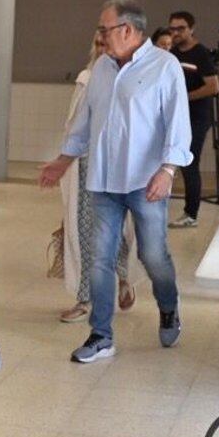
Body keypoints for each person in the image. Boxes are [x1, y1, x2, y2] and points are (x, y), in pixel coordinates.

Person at [39, 0, 190, 365]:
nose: (100, 36)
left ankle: (169, 307)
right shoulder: (102, 69)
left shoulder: (164, 66)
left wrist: (168, 170)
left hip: (146, 181)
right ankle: (101, 335)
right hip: (104, 180)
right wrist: (62, 160)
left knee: (153, 255)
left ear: (127, 29)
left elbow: (177, 123)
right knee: (100, 259)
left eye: (104, 29)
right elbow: (85, 123)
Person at [55, 37, 132, 325]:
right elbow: (73, 125)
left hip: (123, 167)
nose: (103, 49)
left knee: (121, 227)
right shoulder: (87, 79)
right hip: (89, 166)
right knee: (87, 231)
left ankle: (123, 276)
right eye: (98, 44)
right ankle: (85, 298)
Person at [166, 11, 219, 229]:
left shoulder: (201, 54)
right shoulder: (171, 53)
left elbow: (213, 86)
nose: (176, 33)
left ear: (191, 29)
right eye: (173, 29)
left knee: (189, 163)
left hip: (196, 118)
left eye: (180, 28)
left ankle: (191, 213)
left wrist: (184, 99)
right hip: (174, 118)